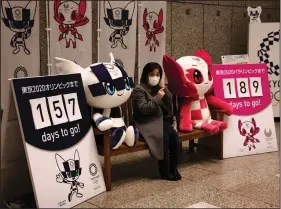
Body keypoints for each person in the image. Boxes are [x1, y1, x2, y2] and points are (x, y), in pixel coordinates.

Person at [132, 62, 182, 181]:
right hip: (146, 122)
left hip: (161, 121)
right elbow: (144, 109)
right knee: (163, 137)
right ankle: (164, 170)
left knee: (175, 138)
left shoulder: (157, 88)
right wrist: (157, 97)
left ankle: (173, 168)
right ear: (145, 75)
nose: (154, 77)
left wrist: (164, 89)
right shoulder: (139, 90)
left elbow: (169, 104)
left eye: (157, 74)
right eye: (152, 74)